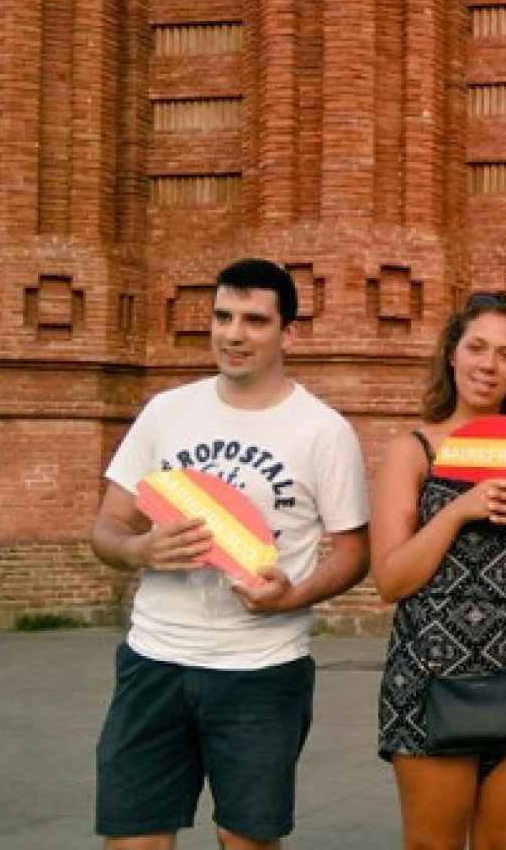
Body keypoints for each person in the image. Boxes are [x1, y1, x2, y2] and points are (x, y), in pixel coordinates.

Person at [89, 258, 372, 850]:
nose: (234, 334)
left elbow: (353, 552)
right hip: (154, 661)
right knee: (132, 840)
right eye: (222, 316)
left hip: (262, 670)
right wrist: (142, 548)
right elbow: (108, 528)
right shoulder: (166, 412)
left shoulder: (323, 430)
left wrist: (290, 596)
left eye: (254, 320)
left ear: (288, 333)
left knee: (245, 841)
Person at [371, 292, 506, 849]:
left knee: (505, 845)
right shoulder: (414, 449)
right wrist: (459, 510)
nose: (488, 365)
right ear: (453, 354)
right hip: (434, 669)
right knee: (432, 845)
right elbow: (390, 581)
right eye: (477, 347)